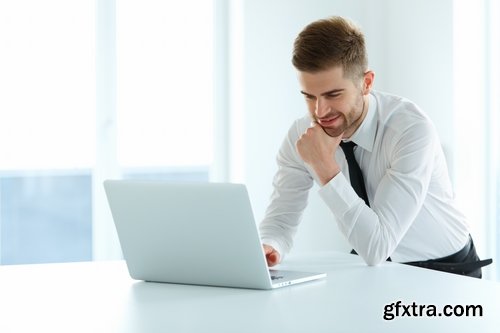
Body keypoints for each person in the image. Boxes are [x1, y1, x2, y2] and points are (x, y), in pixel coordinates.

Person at [259, 16, 491, 278]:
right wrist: (270, 244)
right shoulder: (302, 136)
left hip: (447, 271)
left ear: (366, 83)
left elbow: (377, 246)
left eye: (333, 95)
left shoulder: (410, 130)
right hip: (373, 267)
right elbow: (280, 219)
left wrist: (324, 168)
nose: (319, 111)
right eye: (309, 96)